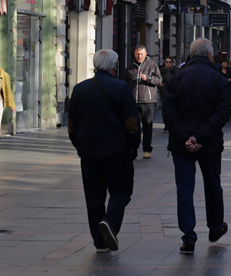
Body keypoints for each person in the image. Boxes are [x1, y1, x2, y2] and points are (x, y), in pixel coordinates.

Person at [162, 38, 231, 254]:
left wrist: (186, 137)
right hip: (209, 143)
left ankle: (188, 237)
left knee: (185, 189)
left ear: (192, 55)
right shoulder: (218, 79)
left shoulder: (177, 77)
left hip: (181, 144)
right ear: (210, 55)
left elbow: (168, 113)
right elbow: (222, 113)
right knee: (212, 185)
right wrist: (200, 137)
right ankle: (215, 227)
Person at [67, 49, 140, 253]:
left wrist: (80, 145)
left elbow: (71, 124)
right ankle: (110, 221)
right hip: (117, 152)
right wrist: (133, 146)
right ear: (114, 66)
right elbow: (132, 123)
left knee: (94, 197)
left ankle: (99, 242)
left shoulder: (80, 89)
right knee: (121, 190)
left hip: (90, 153)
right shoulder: (122, 88)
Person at [125, 45, 161, 159]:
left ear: (145, 54)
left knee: (147, 126)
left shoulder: (152, 65)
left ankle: (147, 149)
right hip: (133, 101)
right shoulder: (130, 67)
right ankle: (133, 149)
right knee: (133, 126)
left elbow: (159, 80)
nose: (139, 56)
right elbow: (125, 83)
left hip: (148, 101)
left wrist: (148, 78)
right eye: (137, 54)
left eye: (141, 54)